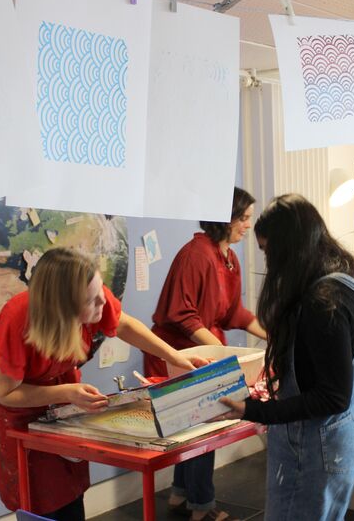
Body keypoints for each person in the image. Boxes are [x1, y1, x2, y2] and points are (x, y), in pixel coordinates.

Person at [0, 247, 206, 521]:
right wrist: (66, 391)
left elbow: (124, 325)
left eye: (101, 292)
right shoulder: (17, 318)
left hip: (63, 388)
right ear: (64, 308)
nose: (103, 302)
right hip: (18, 404)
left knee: (70, 483)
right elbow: (6, 393)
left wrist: (174, 357)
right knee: (39, 493)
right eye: (93, 301)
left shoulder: (90, 290)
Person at [220, 194, 354, 521]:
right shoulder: (347, 278)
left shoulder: (323, 302)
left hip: (317, 445)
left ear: (288, 250)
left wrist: (255, 410)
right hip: (339, 436)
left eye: (269, 252)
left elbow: (331, 396)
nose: (268, 263)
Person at [144, 187, 266, 521]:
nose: (247, 226)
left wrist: (272, 335)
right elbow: (182, 315)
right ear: (224, 218)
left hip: (201, 352)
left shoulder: (228, 258)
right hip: (178, 354)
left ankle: (181, 493)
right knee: (203, 427)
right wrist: (215, 350)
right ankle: (202, 507)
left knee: (195, 427)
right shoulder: (196, 254)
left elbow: (232, 314)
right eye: (242, 218)